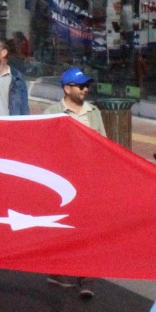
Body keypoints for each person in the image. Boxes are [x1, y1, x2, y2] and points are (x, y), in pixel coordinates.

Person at [50, 69, 101, 299]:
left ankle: (85, 278)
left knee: (87, 229)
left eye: (87, 85)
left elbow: (103, 144)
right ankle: (57, 270)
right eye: (80, 86)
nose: (85, 89)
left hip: (88, 179)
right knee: (62, 228)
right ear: (66, 88)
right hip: (61, 181)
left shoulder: (94, 112)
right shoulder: (53, 112)